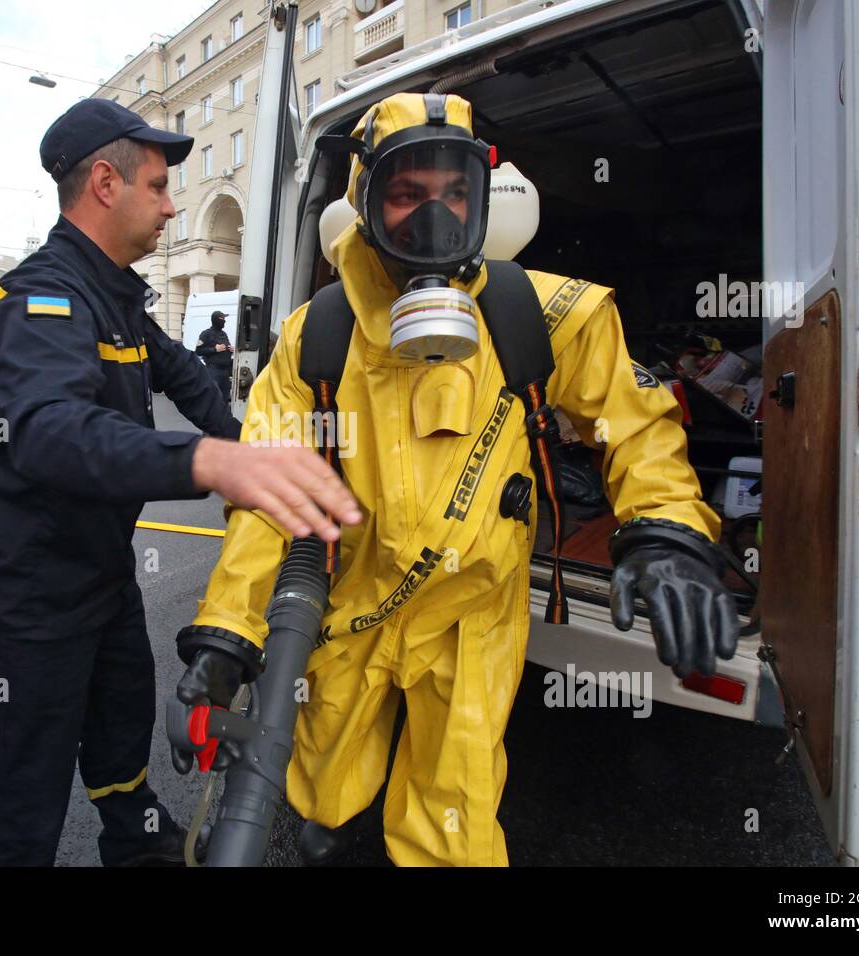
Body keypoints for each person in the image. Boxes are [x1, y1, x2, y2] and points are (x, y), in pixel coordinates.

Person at [170, 92, 738, 866]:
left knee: (451, 812)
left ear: (481, 201)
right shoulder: (318, 337)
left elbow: (632, 424)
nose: (433, 221)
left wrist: (666, 527)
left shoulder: (543, 313)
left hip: (472, 611)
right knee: (321, 775)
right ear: (364, 202)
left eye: (454, 195)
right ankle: (326, 825)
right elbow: (270, 491)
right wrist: (229, 631)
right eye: (406, 194)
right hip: (354, 597)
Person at [0, 98, 361, 867]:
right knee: (23, 786)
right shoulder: (40, 300)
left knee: (119, 730)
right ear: (104, 184)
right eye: (158, 186)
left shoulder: (116, 299)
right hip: (30, 599)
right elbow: (49, 434)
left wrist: (263, 460)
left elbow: (186, 378)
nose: (174, 206)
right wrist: (209, 464)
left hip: (101, 575)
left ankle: (135, 842)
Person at [195, 310, 234, 403]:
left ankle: (223, 417)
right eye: (222, 319)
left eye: (224, 319)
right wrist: (214, 349)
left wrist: (231, 349)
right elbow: (198, 351)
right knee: (214, 399)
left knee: (224, 399)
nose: (224, 321)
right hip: (213, 371)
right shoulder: (206, 334)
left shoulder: (224, 334)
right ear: (215, 320)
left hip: (225, 372)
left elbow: (226, 348)